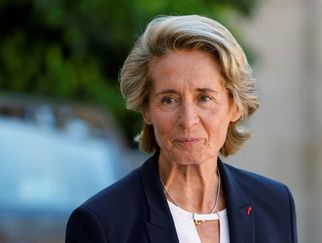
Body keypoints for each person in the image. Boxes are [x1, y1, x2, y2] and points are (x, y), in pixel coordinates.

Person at [65, 15, 297, 243]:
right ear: (146, 109)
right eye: (169, 100)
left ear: (235, 106)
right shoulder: (102, 223)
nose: (187, 120)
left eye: (204, 98)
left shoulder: (275, 204)